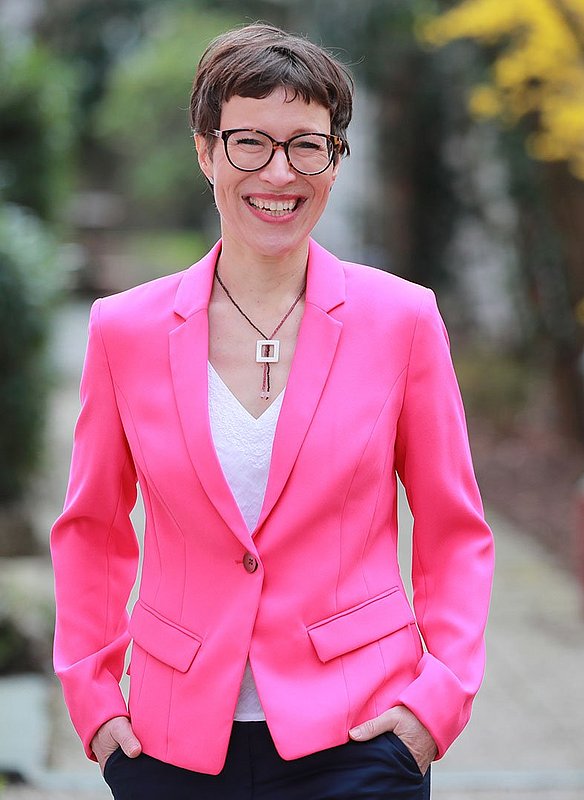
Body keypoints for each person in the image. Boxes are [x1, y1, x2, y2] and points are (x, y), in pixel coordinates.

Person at [51, 22, 494, 800]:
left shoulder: (403, 320)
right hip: (169, 743)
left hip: (361, 737)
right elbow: (91, 530)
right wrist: (93, 702)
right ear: (205, 151)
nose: (278, 172)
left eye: (306, 145)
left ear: (334, 159)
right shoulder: (123, 330)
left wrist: (437, 702)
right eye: (250, 142)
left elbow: (454, 530)